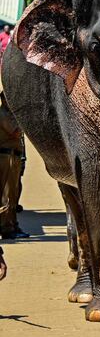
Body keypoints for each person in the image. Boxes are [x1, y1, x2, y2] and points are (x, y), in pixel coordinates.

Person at [0, 91, 26, 239]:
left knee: (14, 194)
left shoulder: (9, 115)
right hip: (6, 157)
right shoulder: (3, 115)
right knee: (7, 196)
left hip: (13, 156)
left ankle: (12, 225)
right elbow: (16, 132)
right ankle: (7, 228)